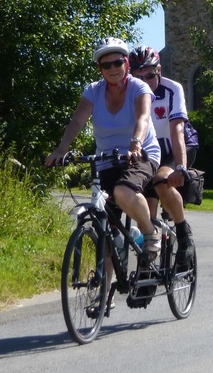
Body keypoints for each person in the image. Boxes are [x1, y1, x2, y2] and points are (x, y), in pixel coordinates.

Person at [45, 37, 162, 258]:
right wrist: (61, 150)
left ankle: (150, 233)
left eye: (117, 62)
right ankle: (104, 289)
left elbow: (143, 118)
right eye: (106, 65)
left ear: (126, 63)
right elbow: (77, 121)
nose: (112, 69)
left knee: (122, 191)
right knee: (106, 228)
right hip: (107, 159)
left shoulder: (139, 87)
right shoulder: (93, 91)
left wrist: (135, 143)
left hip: (141, 155)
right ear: (100, 69)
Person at [128, 45, 195, 267]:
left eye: (149, 75)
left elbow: (177, 130)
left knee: (161, 182)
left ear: (159, 70)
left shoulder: (172, 89)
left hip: (176, 149)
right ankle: (147, 269)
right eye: (138, 77)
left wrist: (181, 167)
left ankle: (184, 235)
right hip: (149, 154)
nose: (144, 81)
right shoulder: (130, 94)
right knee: (146, 209)